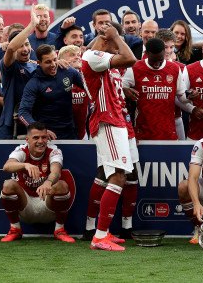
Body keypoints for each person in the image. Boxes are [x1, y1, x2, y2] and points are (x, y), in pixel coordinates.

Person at [81, 21, 137, 251]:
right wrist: (115, 37)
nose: (118, 48)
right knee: (118, 177)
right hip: (107, 121)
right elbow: (131, 58)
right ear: (106, 40)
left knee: (114, 175)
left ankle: (103, 232)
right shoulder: (93, 56)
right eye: (114, 43)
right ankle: (99, 235)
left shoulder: (102, 58)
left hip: (116, 122)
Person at [0, 122, 75, 243]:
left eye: (44, 137)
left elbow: (56, 171)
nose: (41, 141)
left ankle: (60, 230)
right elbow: (6, 166)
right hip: (26, 204)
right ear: (27, 139)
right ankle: (15, 229)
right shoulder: (21, 150)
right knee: (8, 185)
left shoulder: (53, 150)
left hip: (46, 203)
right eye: (36, 138)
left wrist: (48, 182)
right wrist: (24, 165)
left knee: (61, 185)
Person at [122, 38, 193, 141]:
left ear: (164, 53)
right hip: (143, 133)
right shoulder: (134, 68)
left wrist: (189, 96)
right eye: (153, 61)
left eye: (160, 60)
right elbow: (117, 88)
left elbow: (182, 96)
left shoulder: (174, 69)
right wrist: (124, 90)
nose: (156, 64)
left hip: (168, 133)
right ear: (146, 53)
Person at [18, 44, 85, 140]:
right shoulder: (34, 83)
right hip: (48, 136)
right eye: (48, 62)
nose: (53, 65)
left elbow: (90, 87)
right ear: (39, 63)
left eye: (55, 59)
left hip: (71, 133)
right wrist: (39, 130)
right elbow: (23, 113)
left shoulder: (68, 71)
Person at [0, 10, 39, 139]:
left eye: (27, 44)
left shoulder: (35, 66)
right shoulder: (9, 65)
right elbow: (11, 48)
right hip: (9, 124)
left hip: (33, 122)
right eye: (20, 46)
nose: (25, 49)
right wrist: (32, 25)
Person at [156, 28, 189, 139]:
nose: (168, 51)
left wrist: (191, 98)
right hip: (151, 121)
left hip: (176, 119)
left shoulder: (182, 68)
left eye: (171, 47)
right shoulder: (143, 65)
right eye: (165, 47)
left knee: (179, 154)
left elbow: (182, 96)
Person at [58, 45, 90, 140]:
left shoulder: (86, 76)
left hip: (82, 131)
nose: (77, 57)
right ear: (61, 60)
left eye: (78, 55)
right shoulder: (55, 76)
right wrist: (56, 64)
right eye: (72, 55)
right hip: (61, 132)